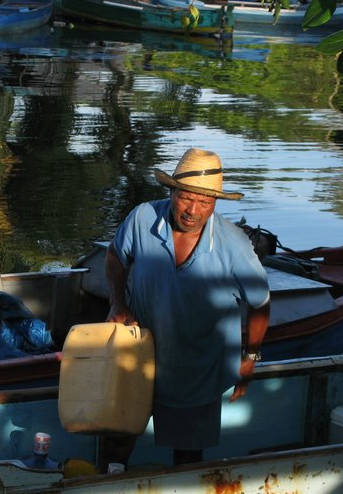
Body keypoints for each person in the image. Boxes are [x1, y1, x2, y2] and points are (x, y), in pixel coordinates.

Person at [104, 148, 271, 466]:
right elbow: (114, 256)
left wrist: (249, 358)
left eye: (204, 202)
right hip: (139, 351)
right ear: (171, 191)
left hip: (197, 363)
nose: (193, 210)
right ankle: (105, 487)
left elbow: (260, 303)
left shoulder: (233, 243)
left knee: (188, 454)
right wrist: (118, 302)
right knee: (116, 438)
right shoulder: (142, 218)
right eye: (185, 198)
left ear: (215, 204)